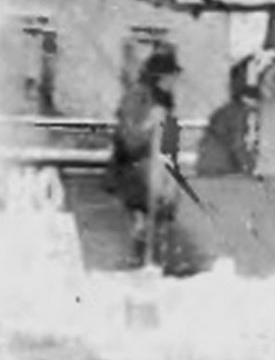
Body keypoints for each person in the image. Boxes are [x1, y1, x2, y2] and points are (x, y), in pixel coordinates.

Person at [108, 50, 202, 274]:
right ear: (160, 77)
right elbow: (129, 139)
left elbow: (168, 144)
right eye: (170, 77)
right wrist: (150, 124)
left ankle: (153, 261)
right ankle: (141, 262)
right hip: (135, 172)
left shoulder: (164, 101)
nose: (174, 82)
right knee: (144, 221)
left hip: (156, 173)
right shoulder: (138, 98)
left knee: (159, 219)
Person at [193, 66, 260, 177]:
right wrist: (251, 169)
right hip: (218, 170)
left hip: (210, 168)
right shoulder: (237, 112)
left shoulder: (227, 111)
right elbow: (238, 146)